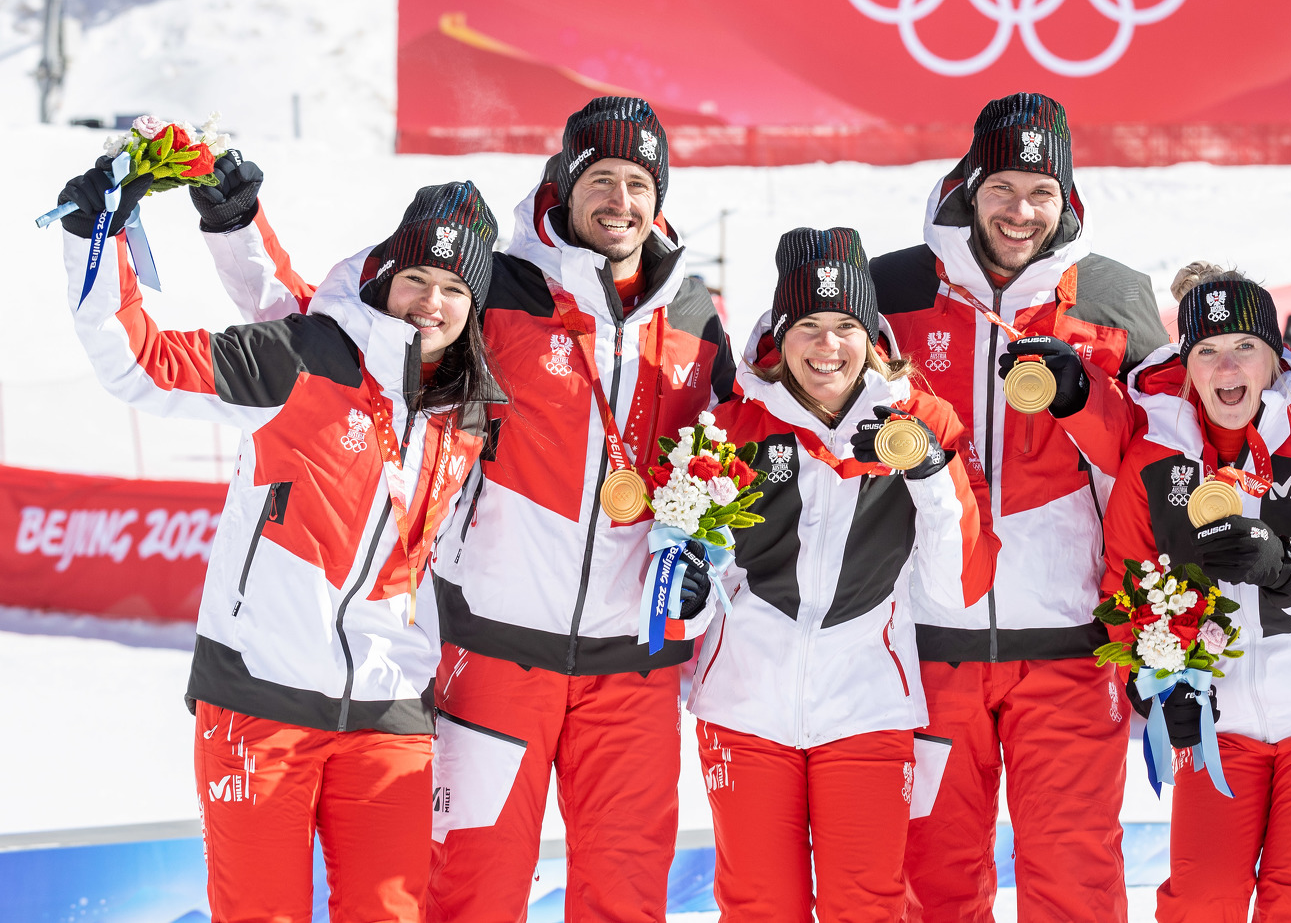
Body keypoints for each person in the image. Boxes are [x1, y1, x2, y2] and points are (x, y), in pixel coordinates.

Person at [193, 97, 736, 923]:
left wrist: (708, 560)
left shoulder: (697, 317)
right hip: (494, 657)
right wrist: (237, 227)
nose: (619, 199)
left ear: (659, 198)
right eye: (600, 177)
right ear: (562, 182)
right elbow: (331, 333)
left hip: (634, 673)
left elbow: (734, 462)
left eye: (638, 181)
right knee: (471, 897)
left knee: (626, 899)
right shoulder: (498, 291)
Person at [55, 166, 504, 923]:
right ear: (385, 277)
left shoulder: (468, 411)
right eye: (419, 278)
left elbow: (287, 292)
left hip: (390, 711)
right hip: (259, 700)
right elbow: (137, 364)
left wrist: (235, 222)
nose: (433, 302)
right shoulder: (304, 360)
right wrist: (94, 236)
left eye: (456, 289)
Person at [868, 93, 1168, 922]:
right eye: (1004, 187)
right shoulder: (890, 287)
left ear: (1066, 199)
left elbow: (1161, 459)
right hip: (928, 652)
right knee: (932, 882)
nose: (1021, 210)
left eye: (1042, 191)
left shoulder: (1112, 295)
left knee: (1075, 882)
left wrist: (1087, 403)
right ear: (971, 185)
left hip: (1070, 652)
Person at [689, 227, 997, 922]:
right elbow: (691, 577)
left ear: (874, 337)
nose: (827, 347)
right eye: (809, 326)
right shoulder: (735, 425)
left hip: (868, 706)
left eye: (845, 327)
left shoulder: (920, 422)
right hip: (744, 706)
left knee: (868, 903)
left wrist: (927, 473)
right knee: (759, 904)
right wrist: (689, 591)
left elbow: (956, 587)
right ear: (779, 334)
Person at [1089, 264, 1291, 922]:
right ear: (1187, 363)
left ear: (1274, 358)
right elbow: (1127, 587)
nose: (1226, 367)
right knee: (1201, 903)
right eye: (1207, 350)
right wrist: (1152, 684)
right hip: (1217, 720)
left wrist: (1290, 569)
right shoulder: (1152, 461)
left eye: (1244, 348)